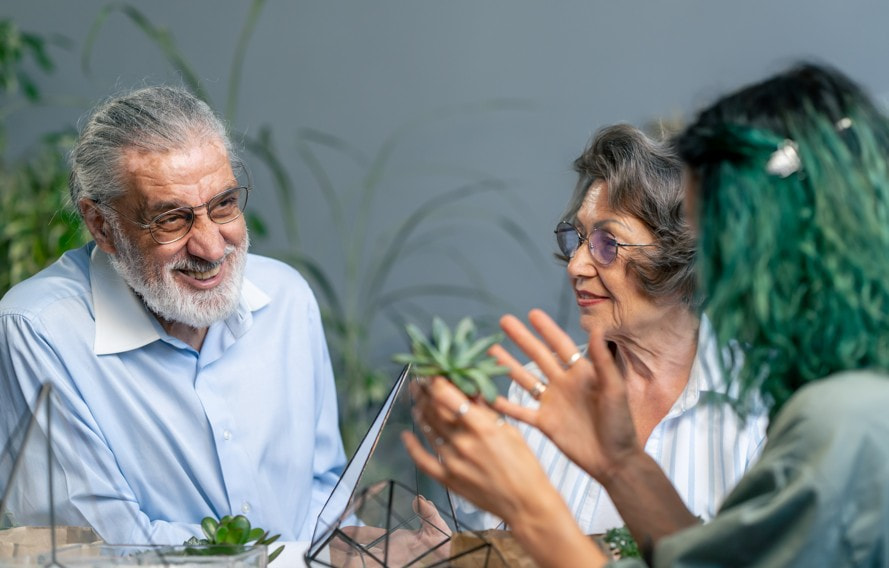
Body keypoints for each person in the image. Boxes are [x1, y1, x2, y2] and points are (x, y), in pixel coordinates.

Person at [405, 61, 889, 567]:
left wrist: (530, 504)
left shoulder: (832, 420)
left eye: (719, 239)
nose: (712, 269)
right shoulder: (840, 404)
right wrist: (618, 464)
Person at [0, 86, 346, 545]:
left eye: (223, 204)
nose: (210, 247)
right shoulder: (37, 330)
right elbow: (97, 547)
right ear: (102, 225)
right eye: (172, 220)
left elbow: (325, 490)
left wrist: (353, 548)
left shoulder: (287, 298)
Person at [497, 124, 767, 534]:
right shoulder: (537, 391)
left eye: (608, 243)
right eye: (579, 238)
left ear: (683, 257)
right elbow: (501, 551)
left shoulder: (763, 406)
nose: (575, 266)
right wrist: (448, 552)